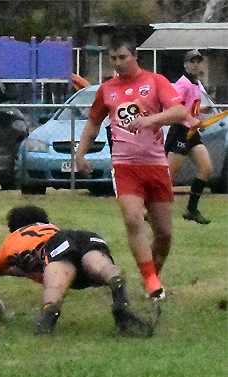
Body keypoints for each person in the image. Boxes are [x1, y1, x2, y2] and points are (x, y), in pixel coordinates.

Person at [75, 33, 198, 302]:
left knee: (164, 234)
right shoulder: (107, 89)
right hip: (124, 165)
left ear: (135, 56)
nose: (118, 63)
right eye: (113, 58)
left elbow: (179, 112)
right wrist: (80, 153)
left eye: (123, 57)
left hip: (155, 164)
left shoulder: (155, 81)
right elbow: (93, 123)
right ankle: (151, 281)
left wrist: (150, 120)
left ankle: (153, 274)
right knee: (133, 220)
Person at [0, 206, 153, 336]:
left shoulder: (12, 241)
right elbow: (27, 268)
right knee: (99, 265)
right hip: (84, 237)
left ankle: (48, 316)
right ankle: (115, 282)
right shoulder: (51, 229)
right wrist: (6, 271)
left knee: (56, 282)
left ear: (14, 228)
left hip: (55, 247)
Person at [166, 49, 213, 225]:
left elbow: (189, 106)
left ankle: (191, 209)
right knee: (169, 176)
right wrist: (190, 119)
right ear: (185, 64)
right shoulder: (183, 83)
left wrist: (201, 110)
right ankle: (152, 210)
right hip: (180, 131)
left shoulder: (196, 83)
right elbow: (174, 107)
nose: (196, 65)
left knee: (206, 168)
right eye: (192, 61)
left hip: (192, 132)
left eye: (198, 61)